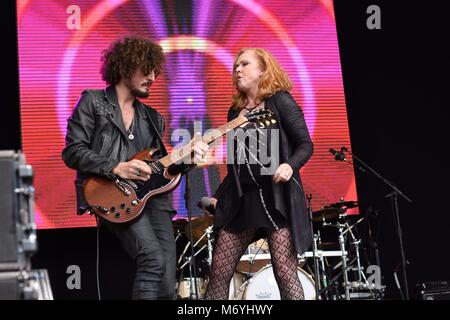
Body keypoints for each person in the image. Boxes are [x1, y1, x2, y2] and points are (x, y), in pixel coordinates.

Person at [62, 36, 208, 300]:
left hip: (153, 201)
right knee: (152, 258)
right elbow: (73, 152)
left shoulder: (152, 118)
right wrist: (116, 167)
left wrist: (190, 157)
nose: (152, 77)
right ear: (126, 65)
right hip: (113, 194)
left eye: (156, 71)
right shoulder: (93, 102)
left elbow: (161, 171)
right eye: (147, 69)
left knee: (166, 275)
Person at [204, 48, 314, 300]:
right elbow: (236, 166)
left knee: (284, 271)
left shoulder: (280, 100)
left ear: (263, 69)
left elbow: (305, 144)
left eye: (244, 64)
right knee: (219, 272)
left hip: (276, 199)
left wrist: (289, 165)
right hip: (244, 201)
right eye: (235, 66)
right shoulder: (235, 112)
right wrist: (218, 196)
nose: (237, 70)